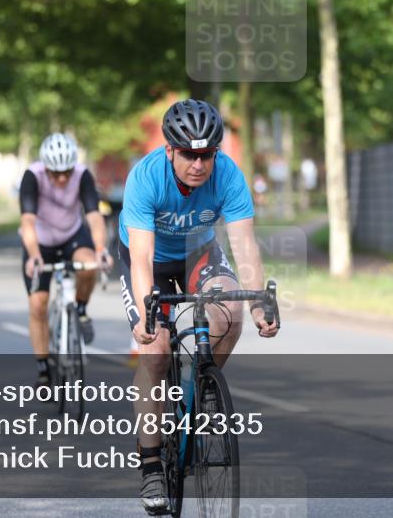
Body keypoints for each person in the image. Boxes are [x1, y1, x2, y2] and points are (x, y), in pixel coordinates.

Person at [118, 98, 279, 513]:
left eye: (207, 154)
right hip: (148, 259)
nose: (199, 164)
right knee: (154, 352)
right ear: (170, 149)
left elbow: (243, 244)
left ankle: (203, 389)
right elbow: (139, 257)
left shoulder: (228, 176)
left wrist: (259, 298)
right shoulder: (146, 178)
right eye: (189, 154)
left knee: (232, 311)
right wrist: (147, 315)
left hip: (198, 252)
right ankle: (151, 463)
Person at [19, 133, 111, 390]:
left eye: (66, 173)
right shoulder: (32, 176)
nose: (62, 179)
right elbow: (27, 221)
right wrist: (34, 255)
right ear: (45, 168)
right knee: (38, 305)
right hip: (40, 243)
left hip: (72, 234)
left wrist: (101, 249)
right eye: (55, 173)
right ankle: (43, 370)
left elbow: (94, 216)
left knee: (90, 264)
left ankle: (80, 310)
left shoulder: (82, 175)